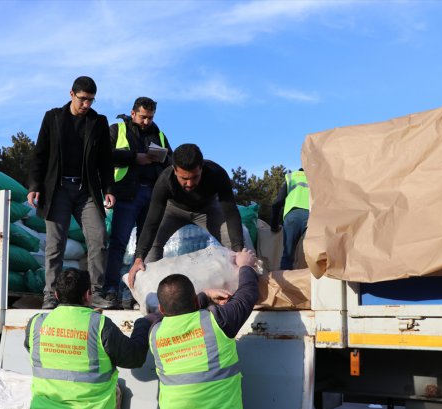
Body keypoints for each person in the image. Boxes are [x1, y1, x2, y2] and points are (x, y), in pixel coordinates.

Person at [24, 268, 155, 409]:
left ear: (55, 294)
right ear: (88, 295)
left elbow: (34, 349)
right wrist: (143, 323)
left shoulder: (36, 323)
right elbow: (134, 358)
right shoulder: (100, 326)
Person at [149, 249, 259, 409]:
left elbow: (155, 317)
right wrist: (245, 266)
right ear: (194, 301)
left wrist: (204, 295)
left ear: (162, 309)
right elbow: (247, 294)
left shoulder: (155, 334)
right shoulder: (217, 321)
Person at [27, 76, 117, 310]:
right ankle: (51, 294)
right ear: (71, 94)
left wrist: (108, 188)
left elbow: (106, 161)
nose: (86, 105)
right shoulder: (53, 117)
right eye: (82, 99)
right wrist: (34, 185)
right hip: (57, 190)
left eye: (91, 100)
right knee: (55, 245)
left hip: (86, 191)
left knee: (98, 238)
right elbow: (40, 154)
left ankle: (96, 292)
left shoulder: (98, 122)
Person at [128, 143, 245, 287]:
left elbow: (231, 212)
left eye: (195, 177)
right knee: (153, 244)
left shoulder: (217, 173)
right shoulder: (164, 181)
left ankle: (243, 286)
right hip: (174, 211)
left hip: (207, 209)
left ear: (201, 168)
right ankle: (150, 290)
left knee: (238, 246)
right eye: (184, 178)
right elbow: (152, 221)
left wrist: (239, 249)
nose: (189, 183)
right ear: (174, 170)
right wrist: (139, 258)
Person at [104, 97, 172, 307]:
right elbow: (103, 156)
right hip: (126, 195)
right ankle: (111, 291)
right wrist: (135, 157)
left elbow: (172, 161)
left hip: (152, 195)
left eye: (150, 118)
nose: (146, 122)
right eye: (143, 117)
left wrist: (161, 158)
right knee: (118, 244)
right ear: (133, 113)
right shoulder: (117, 129)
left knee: (147, 248)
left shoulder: (158, 134)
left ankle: (141, 294)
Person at [270, 168, 309, 270]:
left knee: (288, 255)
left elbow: (277, 204)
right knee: (313, 253)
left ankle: (286, 284)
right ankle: (315, 283)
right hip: (311, 217)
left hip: (292, 217)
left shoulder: (291, 177)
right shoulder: (314, 178)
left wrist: (274, 226)